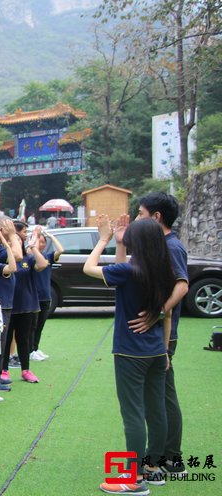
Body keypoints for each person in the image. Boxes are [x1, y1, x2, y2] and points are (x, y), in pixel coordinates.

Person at [84, 215, 175, 494]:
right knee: (156, 409)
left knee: (133, 414)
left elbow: (90, 268)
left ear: (138, 241)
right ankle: (153, 467)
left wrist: (103, 240)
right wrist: (166, 347)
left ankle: (134, 479)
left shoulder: (130, 271)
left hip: (130, 353)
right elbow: (167, 312)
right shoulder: (164, 270)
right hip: (156, 350)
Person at [118, 193, 189, 477]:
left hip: (159, 336)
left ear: (156, 217)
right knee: (158, 400)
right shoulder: (160, 246)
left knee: (162, 400)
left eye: (140, 213)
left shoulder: (170, 247)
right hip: (158, 332)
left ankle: (166, 459)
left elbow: (182, 285)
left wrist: (157, 312)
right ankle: (160, 459)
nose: (137, 218)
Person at [2, 223, 48, 384]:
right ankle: (4, 370)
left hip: (27, 306)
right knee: (6, 340)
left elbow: (42, 265)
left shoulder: (28, 259)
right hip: (8, 306)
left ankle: (25, 370)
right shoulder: (5, 259)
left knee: (24, 339)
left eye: (19, 240)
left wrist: (33, 248)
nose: (17, 243)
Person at [0, 216, 23, 391]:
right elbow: (18, 255)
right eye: (9, 229)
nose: (13, 234)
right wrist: (13, 236)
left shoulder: (1, 247)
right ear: (1, 231)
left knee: (1, 341)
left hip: (5, 301)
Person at [30, 230, 64, 361]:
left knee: (40, 325)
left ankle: (35, 348)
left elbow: (60, 250)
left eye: (44, 242)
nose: (42, 244)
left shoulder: (48, 256)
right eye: (40, 241)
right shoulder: (31, 257)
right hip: (35, 297)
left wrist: (51, 236)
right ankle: (29, 350)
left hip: (46, 296)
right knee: (33, 326)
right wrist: (33, 242)